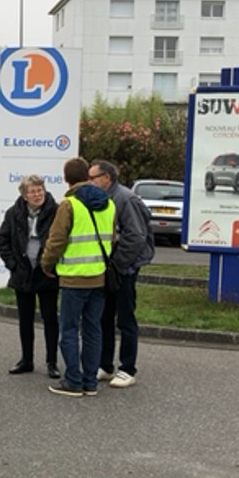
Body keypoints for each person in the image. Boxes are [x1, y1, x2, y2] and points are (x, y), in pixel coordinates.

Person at [41, 157, 116, 398]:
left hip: (74, 279)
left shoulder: (69, 205)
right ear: (87, 175)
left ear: (66, 179)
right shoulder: (109, 204)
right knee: (94, 329)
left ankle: (73, 381)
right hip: (99, 277)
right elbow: (112, 239)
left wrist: (47, 264)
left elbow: (56, 241)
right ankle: (90, 382)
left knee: (70, 330)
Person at [89, 160, 155, 389]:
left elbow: (136, 236)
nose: (90, 182)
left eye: (93, 177)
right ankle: (105, 365)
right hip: (108, 269)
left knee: (125, 319)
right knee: (104, 317)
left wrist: (117, 264)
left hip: (124, 269)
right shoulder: (102, 200)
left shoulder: (125, 199)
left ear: (106, 178)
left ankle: (127, 369)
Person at [0, 174, 60, 378]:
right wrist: (12, 264)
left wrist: (52, 264)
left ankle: (52, 362)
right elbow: (2, 241)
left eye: (40, 190)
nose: (37, 194)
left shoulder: (57, 211)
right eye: (32, 191)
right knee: (25, 319)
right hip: (23, 273)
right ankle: (27, 360)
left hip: (47, 273)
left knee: (50, 319)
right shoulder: (14, 213)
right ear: (24, 195)